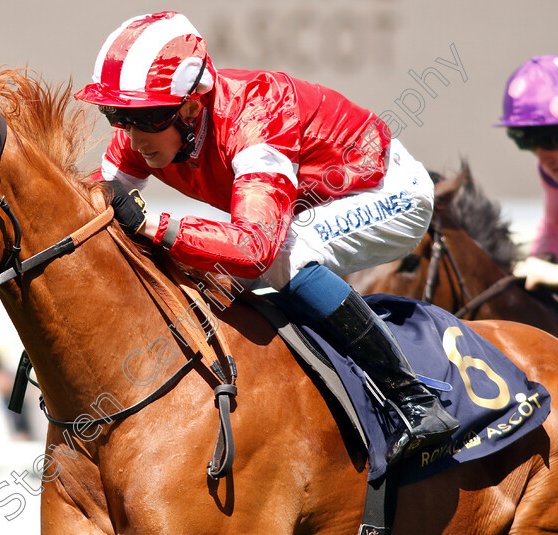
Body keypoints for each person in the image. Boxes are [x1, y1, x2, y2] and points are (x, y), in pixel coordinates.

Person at [74, 11, 459, 464]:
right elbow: (93, 214)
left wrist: (157, 226)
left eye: (148, 118)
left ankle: (415, 402)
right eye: (117, 115)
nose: (134, 137)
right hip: (307, 206)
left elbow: (256, 247)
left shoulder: (256, 114)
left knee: (284, 257)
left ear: (193, 105)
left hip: (388, 192)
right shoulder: (144, 131)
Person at [499, 56, 558, 289]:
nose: (541, 156)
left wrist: (553, 275)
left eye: (549, 139)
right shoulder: (549, 171)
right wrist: (532, 262)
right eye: (529, 143)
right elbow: (553, 227)